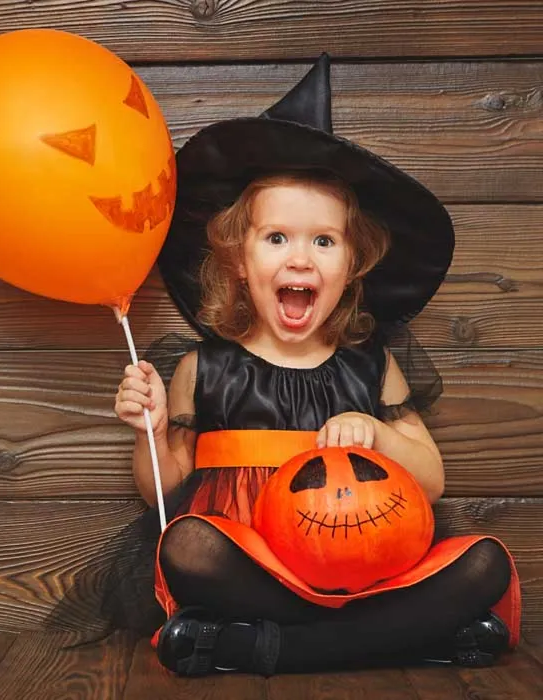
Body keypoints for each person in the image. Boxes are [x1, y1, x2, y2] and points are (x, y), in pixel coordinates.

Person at [112, 54, 520, 676]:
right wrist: (154, 433)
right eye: (277, 238)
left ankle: (264, 646)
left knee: (485, 562)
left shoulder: (370, 367)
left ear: (352, 264)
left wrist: (378, 431)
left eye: (323, 241)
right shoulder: (204, 367)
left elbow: (431, 480)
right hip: (257, 567)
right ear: (237, 261)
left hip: (364, 560)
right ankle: (396, 639)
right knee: (185, 545)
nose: (300, 259)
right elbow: (162, 493)